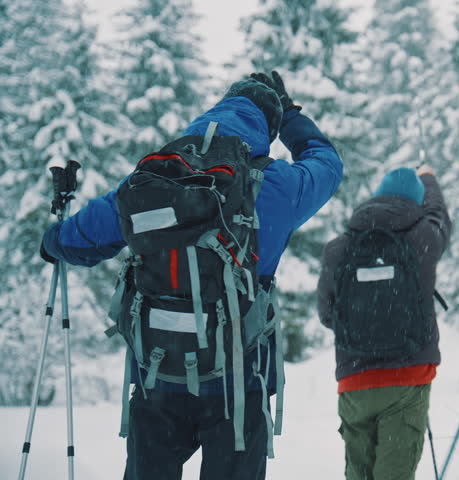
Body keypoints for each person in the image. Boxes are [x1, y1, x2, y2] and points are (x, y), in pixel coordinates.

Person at [40, 71, 343, 480]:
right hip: (239, 381)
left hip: (159, 374)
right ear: (266, 131)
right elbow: (326, 162)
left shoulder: (154, 179)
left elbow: (83, 239)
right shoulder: (275, 186)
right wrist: (288, 114)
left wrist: (52, 240)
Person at [317, 165, 451, 480]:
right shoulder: (424, 238)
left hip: (354, 380)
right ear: (416, 203)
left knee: (359, 474)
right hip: (408, 377)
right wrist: (429, 179)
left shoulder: (338, 248)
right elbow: (440, 216)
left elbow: (327, 314)